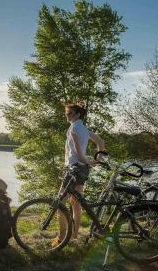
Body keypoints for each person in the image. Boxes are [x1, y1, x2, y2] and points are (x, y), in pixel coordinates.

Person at [55, 102, 104, 244]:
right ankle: (74, 236)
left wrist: (88, 160)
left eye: (69, 113)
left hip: (74, 169)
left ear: (77, 114)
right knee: (76, 203)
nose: (67, 115)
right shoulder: (84, 128)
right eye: (66, 112)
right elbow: (100, 142)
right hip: (82, 169)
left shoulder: (74, 128)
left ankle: (62, 237)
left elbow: (77, 152)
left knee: (60, 203)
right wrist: (97, 159)